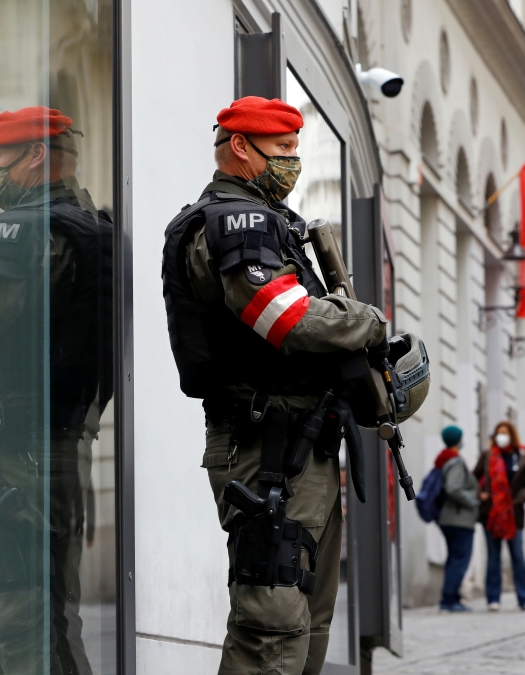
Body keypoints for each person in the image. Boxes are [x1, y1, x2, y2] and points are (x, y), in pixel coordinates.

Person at [161, 97, 405, 675]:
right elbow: (286, 318)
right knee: (271, 624)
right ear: (241, 148)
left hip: (302, 444)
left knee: (308, 619)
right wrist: (368, 320)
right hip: (265, 449)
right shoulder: (233, 222)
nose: (292, 163)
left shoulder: (279, 224)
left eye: (297, 150)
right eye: (284, 151)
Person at [0, 106, 113, 674]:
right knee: (54, 618)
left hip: (7, 456)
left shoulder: (15, 234)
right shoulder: (95, 229)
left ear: (36, 156)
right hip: (62, 444)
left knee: (4, 626)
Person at [474, 420, 525, 612]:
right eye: (498, 433)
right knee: (493, 558)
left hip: (514, 515)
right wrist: (479, 494)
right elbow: (474, 477)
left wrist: (517, 499)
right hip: (491, 514)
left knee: (517, 556)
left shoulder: (522, 457)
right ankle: (493, 598)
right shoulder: (488, 456)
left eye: (505, 433)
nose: (501, 437)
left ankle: (524, 598)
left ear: (511, 435)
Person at [435, 425, 480, 612]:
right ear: (458, 440)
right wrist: (473, 500)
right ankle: (449, 600)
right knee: (459, 560)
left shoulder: (442, 459)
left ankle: (451, 597)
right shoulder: (455, 462)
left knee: (454, 559)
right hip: (459, 519)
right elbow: (453, 488)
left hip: (449, 519)